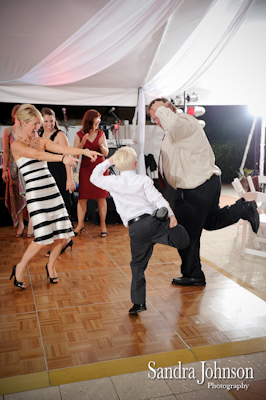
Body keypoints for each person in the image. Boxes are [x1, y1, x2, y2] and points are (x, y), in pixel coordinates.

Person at [147, 98, 260, 287]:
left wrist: (162, 110)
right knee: (211, 220)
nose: (157, 120)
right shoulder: (175, 129)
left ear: (168, 109)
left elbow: (173, 124)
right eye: (153, 118)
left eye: (158, 114)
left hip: (197, 185)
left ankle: (194, 275)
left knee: (187, 232)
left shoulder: (183, 122)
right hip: (202, 183)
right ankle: (243, 208)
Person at [9, 104, 101, 290]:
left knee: (62, 234)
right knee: (42, 237)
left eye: (40, 124)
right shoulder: (16, 145)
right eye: (35, 124)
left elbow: (62, 149)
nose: (39, 127)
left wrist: (84, 152)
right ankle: (19, 267)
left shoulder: (41, 139)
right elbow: (36, 155)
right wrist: (61, 160)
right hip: (36, 194)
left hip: (51, 190)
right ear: (24, 123)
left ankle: (50, 266)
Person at [90, 146, 190, 313]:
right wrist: (171, 216)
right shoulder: (143, 180)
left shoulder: (112, 182)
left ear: (117, 165)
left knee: (137, 265)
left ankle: (138, 304)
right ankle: (166, 222)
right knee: (182, 239)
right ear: (136, 164)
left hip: (136, 229)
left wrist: (108, 161)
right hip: (153, 223)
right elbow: (158, 198)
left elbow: (94, 177)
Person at [39, 107, 75, 255]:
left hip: (59, 175)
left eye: (51, 121)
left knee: (62, 208)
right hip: (45, 176)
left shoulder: (60, 135)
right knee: (51, 209)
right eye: (46, 121)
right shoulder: (39, 134)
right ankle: (61, 240)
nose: (49, 124)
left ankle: (64, 240)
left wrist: (70, 179)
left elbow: (68, 157)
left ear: (55, 121)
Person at [74, 109, 109, 237]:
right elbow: (75, 154)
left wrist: (101, 146)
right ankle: (80, 224)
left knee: (101, 196)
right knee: (82, 197)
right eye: (96, 119)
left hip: (100, 167)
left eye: (99, 119)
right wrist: (82, 144)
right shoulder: (79, 134)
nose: (98, 122)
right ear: (90, 120)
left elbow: (106, 154)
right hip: (86, 168)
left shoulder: (101, 133)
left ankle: (103, 225)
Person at [2, 104, 33, 237]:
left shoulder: (29, 130)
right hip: (14, 169)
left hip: (27, 167)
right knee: (16, 197)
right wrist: (4, 170)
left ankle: (32, 223)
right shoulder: (8, 131)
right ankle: (20, 224)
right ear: (14, 115)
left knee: (30, 195)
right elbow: (6, 152)